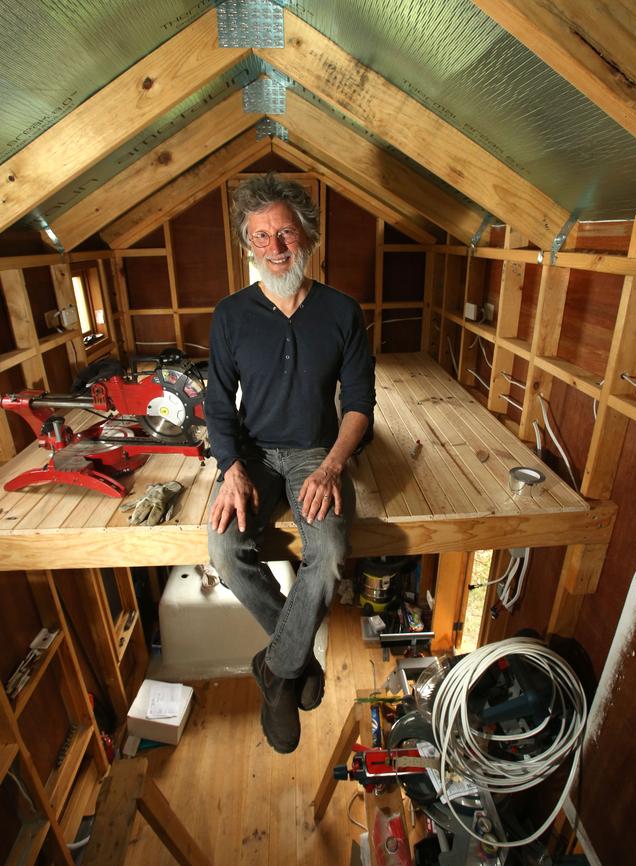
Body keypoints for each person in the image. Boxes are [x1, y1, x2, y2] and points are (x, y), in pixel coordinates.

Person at [205, 173, 375, 753]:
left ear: (307, 234)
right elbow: (217, 405)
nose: (274, 248)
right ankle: (292, 656)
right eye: (260, 237)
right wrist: (230, 470)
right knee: (224, 549)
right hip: (251, 456)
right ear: (246, 246)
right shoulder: (230, 315)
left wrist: (330, 468)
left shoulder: (342, 312)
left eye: (285, 233)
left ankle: (277, 672)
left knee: (327, 553)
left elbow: (359, 405)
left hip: (315, 454)